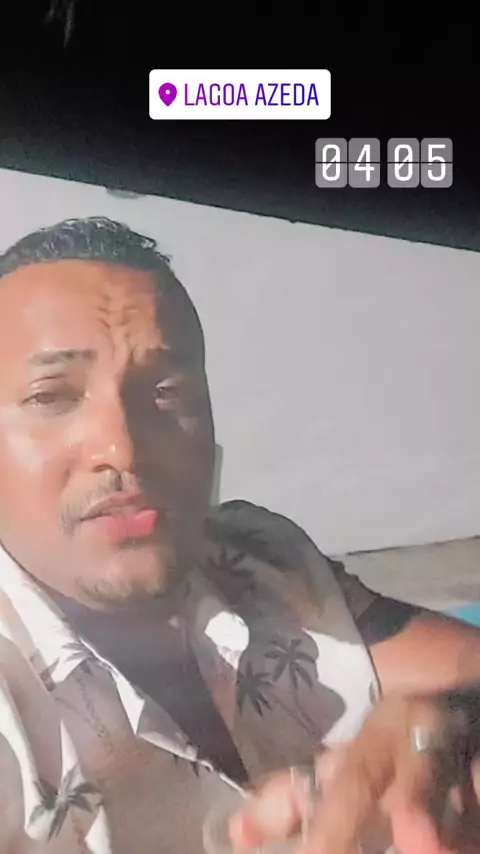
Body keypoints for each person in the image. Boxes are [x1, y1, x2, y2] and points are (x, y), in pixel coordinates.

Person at [0, 216, 478, 854]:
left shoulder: (260, 562)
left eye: (166, 391)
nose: (124, 449)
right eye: (51, 397)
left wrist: (449, 726)